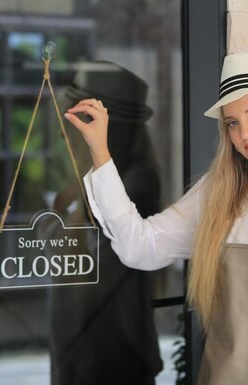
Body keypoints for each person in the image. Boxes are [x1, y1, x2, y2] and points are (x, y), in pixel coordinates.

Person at [65, 52, 248, 385]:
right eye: (232, 122)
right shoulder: (214, 195)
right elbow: (138, 247)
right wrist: (100, 152)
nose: (244, 132)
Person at [50, 61, 163, 385]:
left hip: (108, 353)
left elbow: (101, 261)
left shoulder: (136, 185)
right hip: (82, 350)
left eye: (73, 122)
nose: (63, 133)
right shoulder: (94, 186)